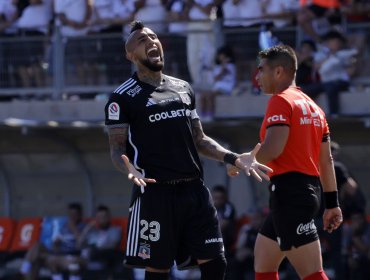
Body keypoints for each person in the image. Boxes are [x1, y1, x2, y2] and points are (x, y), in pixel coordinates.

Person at [104, 20, 272, 280]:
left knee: (216, 264)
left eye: (153, 37)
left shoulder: (183, 88)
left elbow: (200, 139)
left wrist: (232, 157)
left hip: (194, 191)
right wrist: (128, 168)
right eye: (142, 40)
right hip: (155, 194)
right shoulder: (122, 97)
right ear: (130, 55)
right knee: (158, 271)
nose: (151, 42)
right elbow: (116, 149)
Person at [228, 45, 343, 280]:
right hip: (304, 194)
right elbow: (326, 159)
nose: (257, 77)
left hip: (291, 196)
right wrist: (332, 204)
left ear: (279, 72)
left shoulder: (280, 101)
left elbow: (273, 148)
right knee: (263, 260)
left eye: (261, 70)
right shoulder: (314, 107)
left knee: (312, 274)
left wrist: (241, 161)